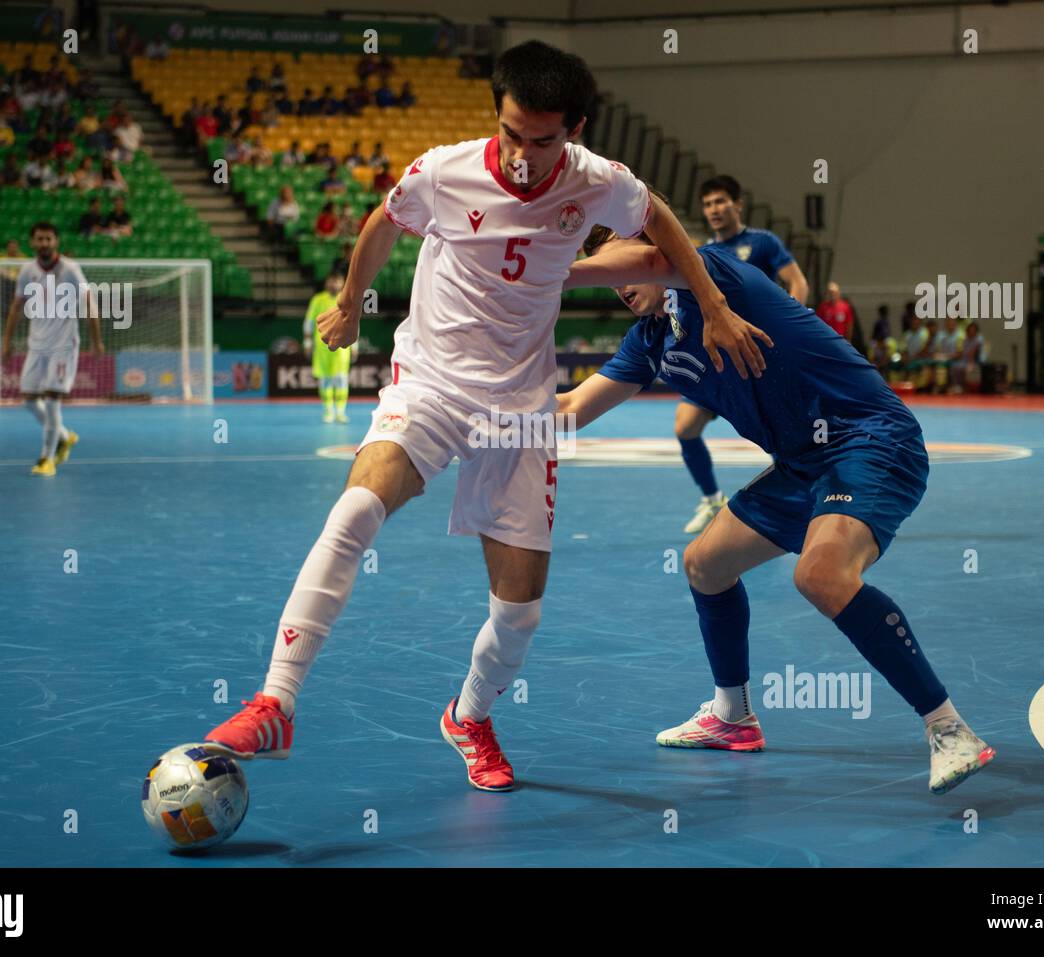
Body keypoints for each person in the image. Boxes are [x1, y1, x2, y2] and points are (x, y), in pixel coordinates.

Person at [203, 40, 766, 794]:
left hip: (522, 408)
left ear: (575, 129)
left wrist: (717, 307)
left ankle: (469, 716)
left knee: (519, 613)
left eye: (544, 140)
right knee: (354, 513)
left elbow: (660, 220)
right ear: (495, 115)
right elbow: (382, 221)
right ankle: (276, 700)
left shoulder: (598, 182)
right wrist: (348, 305)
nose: (525, 155)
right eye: (512, 133)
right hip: (431, 383)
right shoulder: (444, 170)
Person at [557, 209, 995, 796]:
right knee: (705, 565)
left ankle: (948, 728)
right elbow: (568, 412)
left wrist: (543, 272)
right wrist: (474, 420)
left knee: (821, 574)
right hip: (802, 464)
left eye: (618, 258)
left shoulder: (715, 277)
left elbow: (657, 259)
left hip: (868, 437)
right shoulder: (652, 341)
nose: (617, 280)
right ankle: (732, 716)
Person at [675, 174, 810, 535]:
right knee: (685, 427)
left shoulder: (763, 243)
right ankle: (712, 499)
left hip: (759, 357)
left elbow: (798, 282)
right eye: (707, 204)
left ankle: (796, 504)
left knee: (778, 438)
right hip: (717, 361)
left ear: (738, 204)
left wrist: (789, 328)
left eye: (720, 201)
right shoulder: (702, 253)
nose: (713, 210)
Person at [0, 222, 105, 476]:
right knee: (28, 401)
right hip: (37, 345)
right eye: (39, 239)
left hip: (64, 345)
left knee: (51, 402)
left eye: (48, 238)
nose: (44, 243)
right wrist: (6, 342)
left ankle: (46, 459)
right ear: (32, 243)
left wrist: (96, 340)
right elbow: (16, 307)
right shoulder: (26, 271)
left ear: (56, 241)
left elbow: (89, 303)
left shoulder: (70, 269)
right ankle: (65, 436)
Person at [304, 271, 352, 422]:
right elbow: (309, 322)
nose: (334, 284)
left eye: (338, 281)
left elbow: (353, 322)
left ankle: (341, 411)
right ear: (326, 283)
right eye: (332, 281)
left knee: (341, 379)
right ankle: (328, 411)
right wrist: (307, 343)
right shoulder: (317, 300)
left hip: (342, 348)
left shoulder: (347, 299)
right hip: (322, 347)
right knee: (325, 380)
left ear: (343, 283)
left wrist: (354, 345)